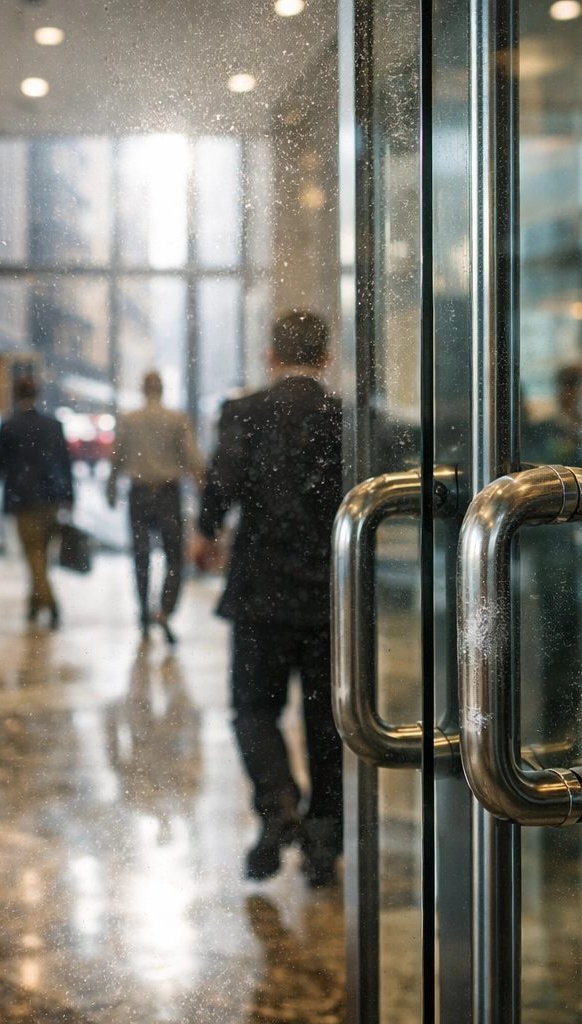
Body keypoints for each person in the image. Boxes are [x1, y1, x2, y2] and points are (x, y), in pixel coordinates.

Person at [193, 311, 346, 887]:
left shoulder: (245, 411)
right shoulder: (342, 417)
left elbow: (223, 480)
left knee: (254, 708)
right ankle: (323, 843)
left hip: (261, 589)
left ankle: (278, 802)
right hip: (329, 593)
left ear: (270, 355)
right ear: (327, 357)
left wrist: (205, 534)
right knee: (327, 719)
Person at [106, 371, 201, 643]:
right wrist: (201, 483)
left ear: (142, 389)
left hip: (139, 494)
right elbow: (192, 458)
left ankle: (144, 611)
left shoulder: (129, 420)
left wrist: (111, 487)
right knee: (174, 555)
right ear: (162, 389)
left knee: (141, 554)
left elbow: (117, 456)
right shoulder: (177, 420)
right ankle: (165, 609)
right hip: (168, 494)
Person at [0, 376, 74, 628]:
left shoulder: (9, 426)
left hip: (23, 500)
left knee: (34, 555)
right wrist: (70, 496)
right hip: (50, 498)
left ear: (16, 394)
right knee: (40, 555)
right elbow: (65, 462)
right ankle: (33, 605)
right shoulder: (53, 425)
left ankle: (50, 604)